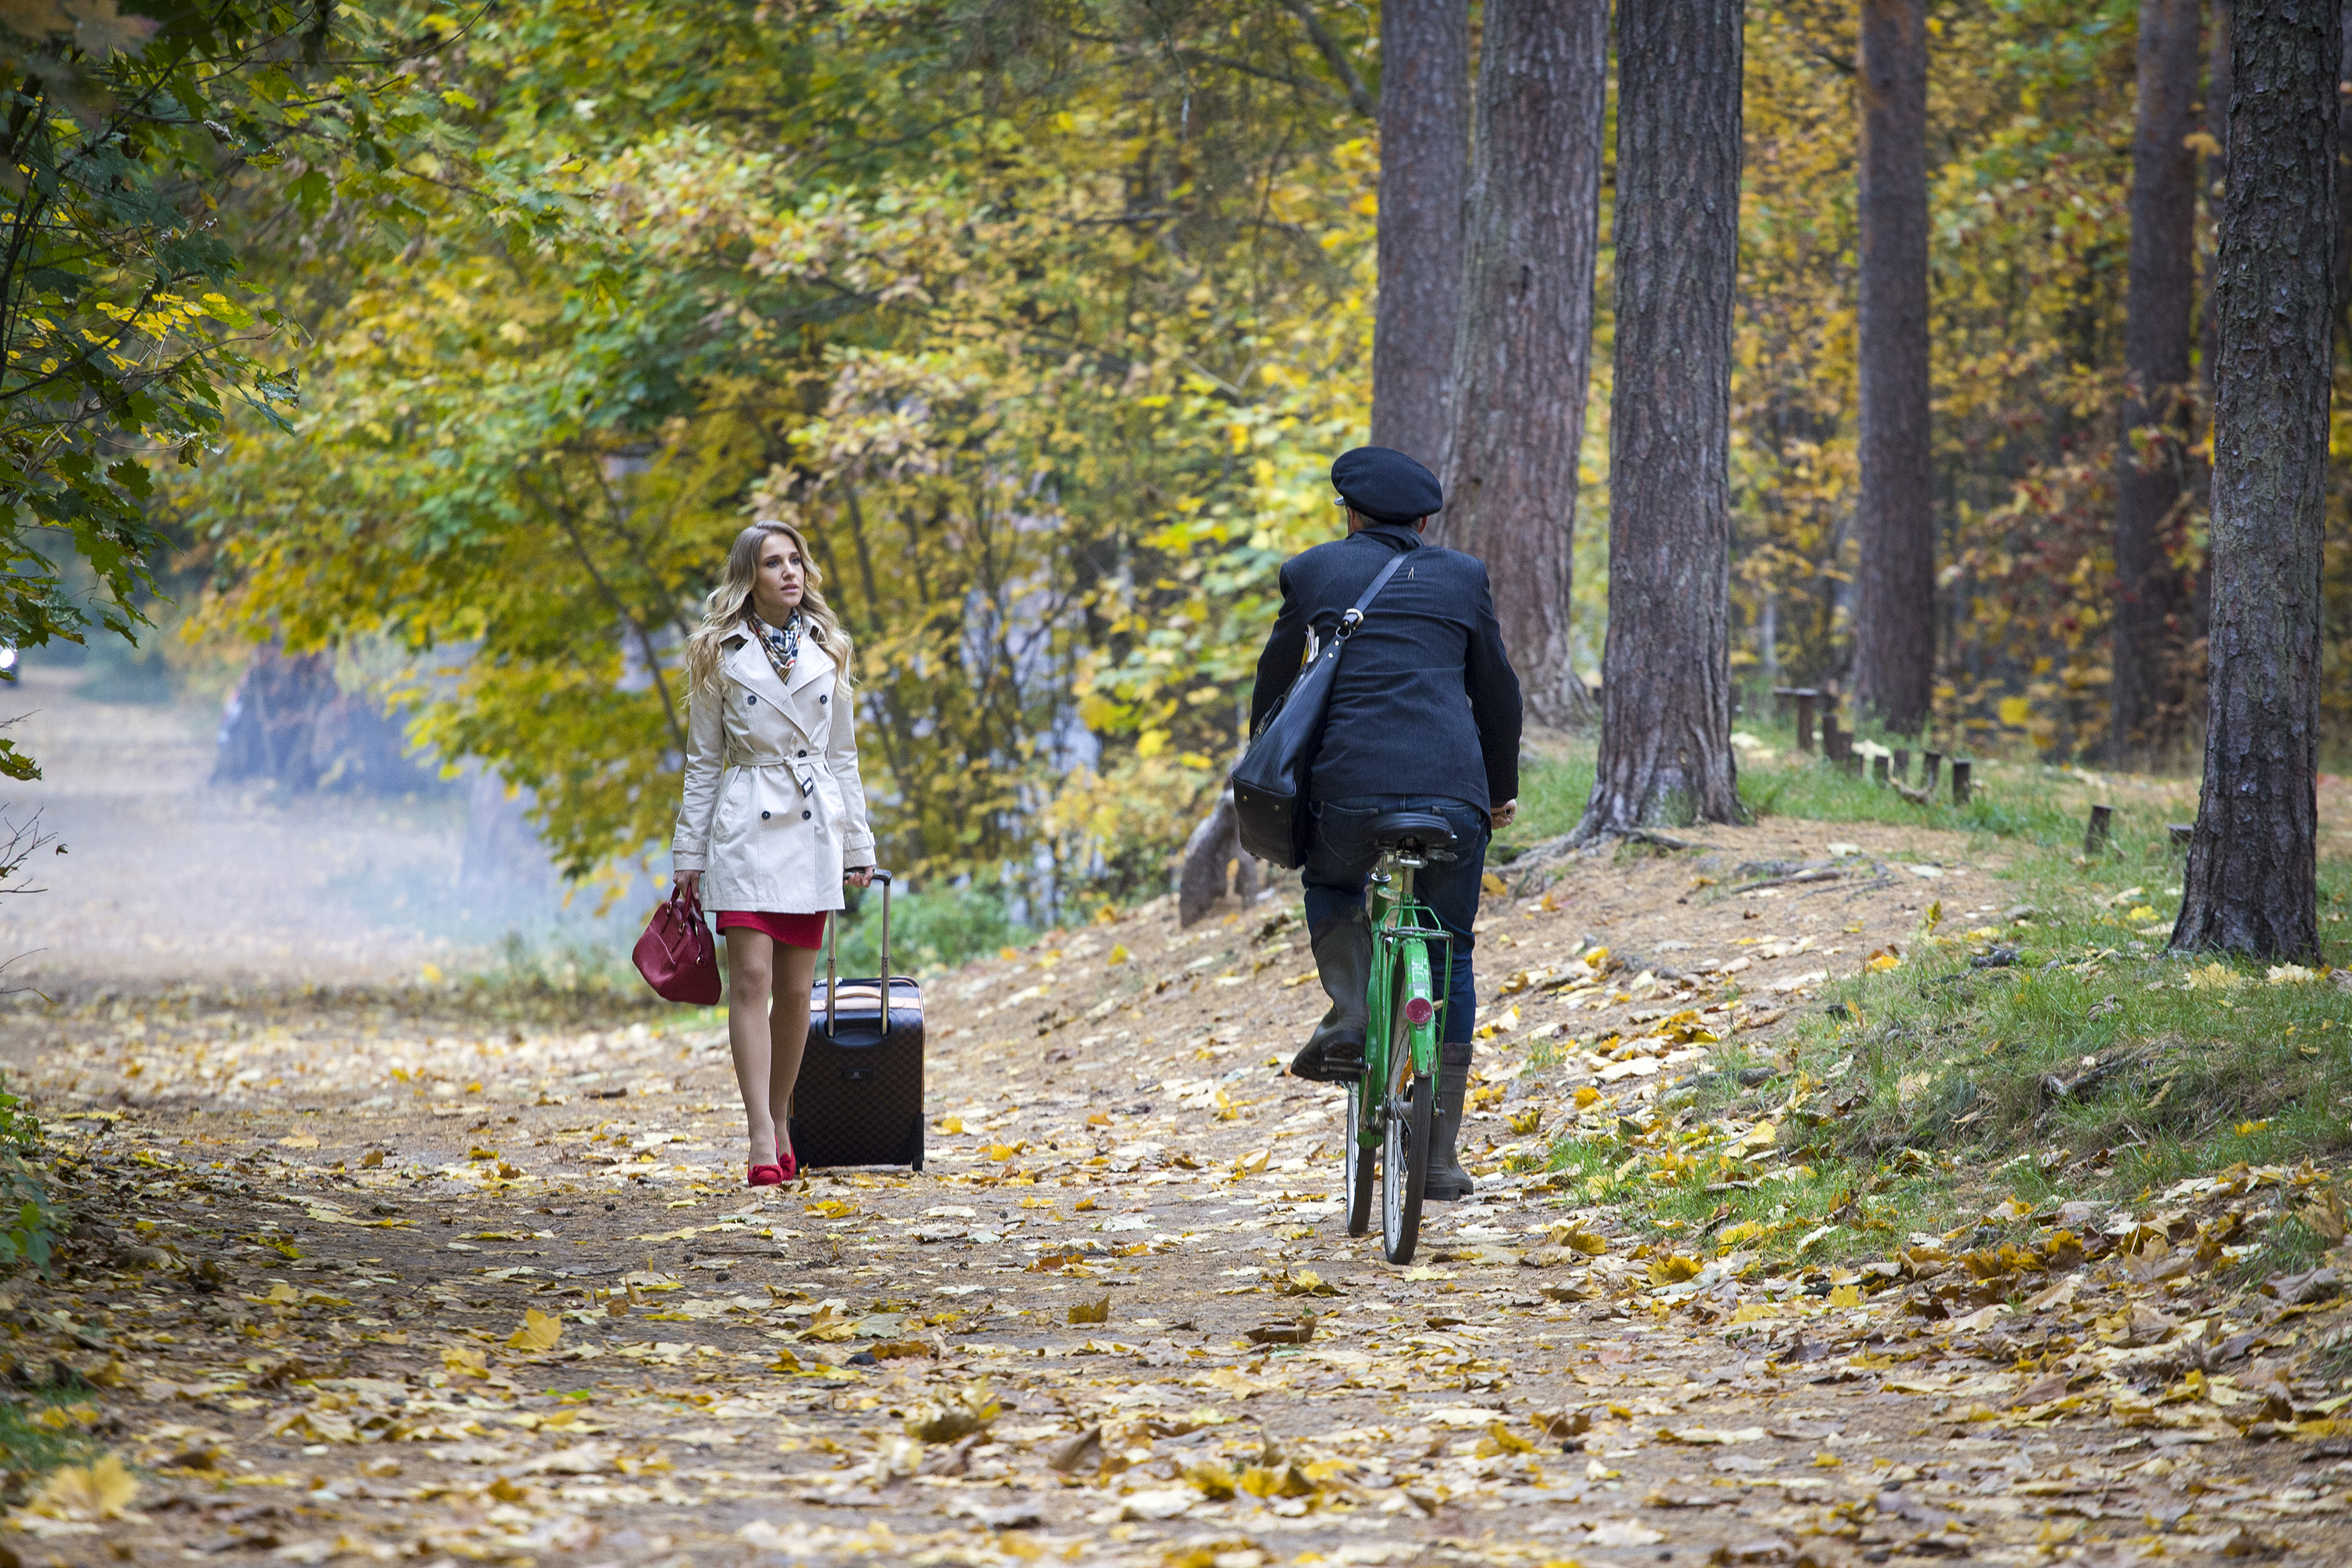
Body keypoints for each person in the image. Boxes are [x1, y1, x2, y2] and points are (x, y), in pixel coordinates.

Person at [1248, 447, 1523, 1201]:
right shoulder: (1463, 576)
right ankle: (1437, 1159)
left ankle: (1349, 1015)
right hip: (1452, 800)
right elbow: (1497, 691)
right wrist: (1499, 791)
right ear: (1426, 520)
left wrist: (1264, 763)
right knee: (1453, 950)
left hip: (1348, 798)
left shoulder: (1313, 572)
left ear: (1351, 514)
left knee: (1331, 884)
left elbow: (1276, 680)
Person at [673, 521, 876, 1187]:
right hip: (744, 827)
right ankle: (760, 1132)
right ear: (748, 577)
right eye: (772, 563)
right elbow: (703, 762)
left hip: (813, 823)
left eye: (796, 561)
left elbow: (843, 757)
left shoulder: (830, 650)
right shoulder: (718, 651)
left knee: (795, 991)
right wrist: (688, 855)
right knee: (752, 983)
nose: (790, 572)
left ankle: (784, 1117)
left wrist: (859, 842)